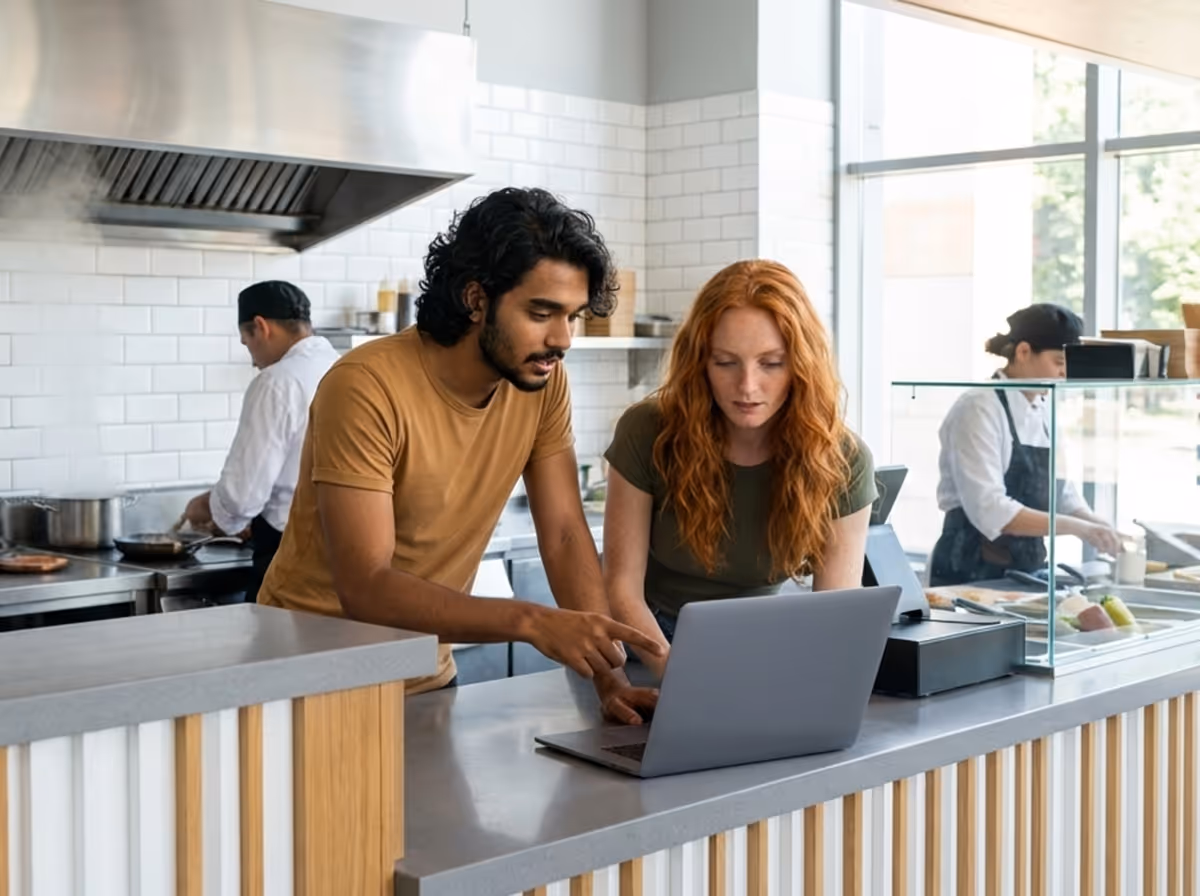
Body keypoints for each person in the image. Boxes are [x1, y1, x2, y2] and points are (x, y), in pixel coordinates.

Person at [257, 187, 662, 720]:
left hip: (426, 678)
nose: (562, 339)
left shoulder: (542, 382)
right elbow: (367, 588)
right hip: (312, 683)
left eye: (574, 316)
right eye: (542, 312)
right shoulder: (365, 386)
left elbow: (564, 533)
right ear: (476, 299)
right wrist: (534, 621)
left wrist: (609, 680)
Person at [601, 260, 878, 679]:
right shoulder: (648, 430)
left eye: (771, 363)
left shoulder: (843, 458)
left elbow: (832, 613)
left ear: (801, 364)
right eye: (726, 363)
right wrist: (680, 679)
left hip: (761, 639)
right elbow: (621, 590)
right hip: (644, 642)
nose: (747, 386)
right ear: (700, 363)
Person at [928, 303, 1122, 587]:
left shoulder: (1044, 409)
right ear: (1023, 352)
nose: (1064, 374)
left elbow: (1062, 494)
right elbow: (992, 510)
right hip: (969, 572)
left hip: (1024, 572)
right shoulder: (978, 408)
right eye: (1058, 362)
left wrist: (1097, 525)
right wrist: (1080, 529)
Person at [183, 281, 339, 602]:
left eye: (246, 343)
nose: (252, 360)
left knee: (276, 650)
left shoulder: (276, 382)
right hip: (346, 557)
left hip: (292, 560)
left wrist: (208, 508)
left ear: (261, 326)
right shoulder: (343, 366)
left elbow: (243, 497)